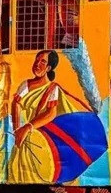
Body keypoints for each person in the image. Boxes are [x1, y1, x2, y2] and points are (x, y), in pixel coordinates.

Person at [10, 50, 96, 183]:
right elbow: (16, 103)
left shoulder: (52, 89)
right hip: (24, 138)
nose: (37, 64)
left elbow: (51, 113)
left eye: (42, 62)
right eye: (36, 60)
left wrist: (28, 127)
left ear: (49, 67)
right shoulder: (25, 85)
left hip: (43, 139)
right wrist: (17, 130)